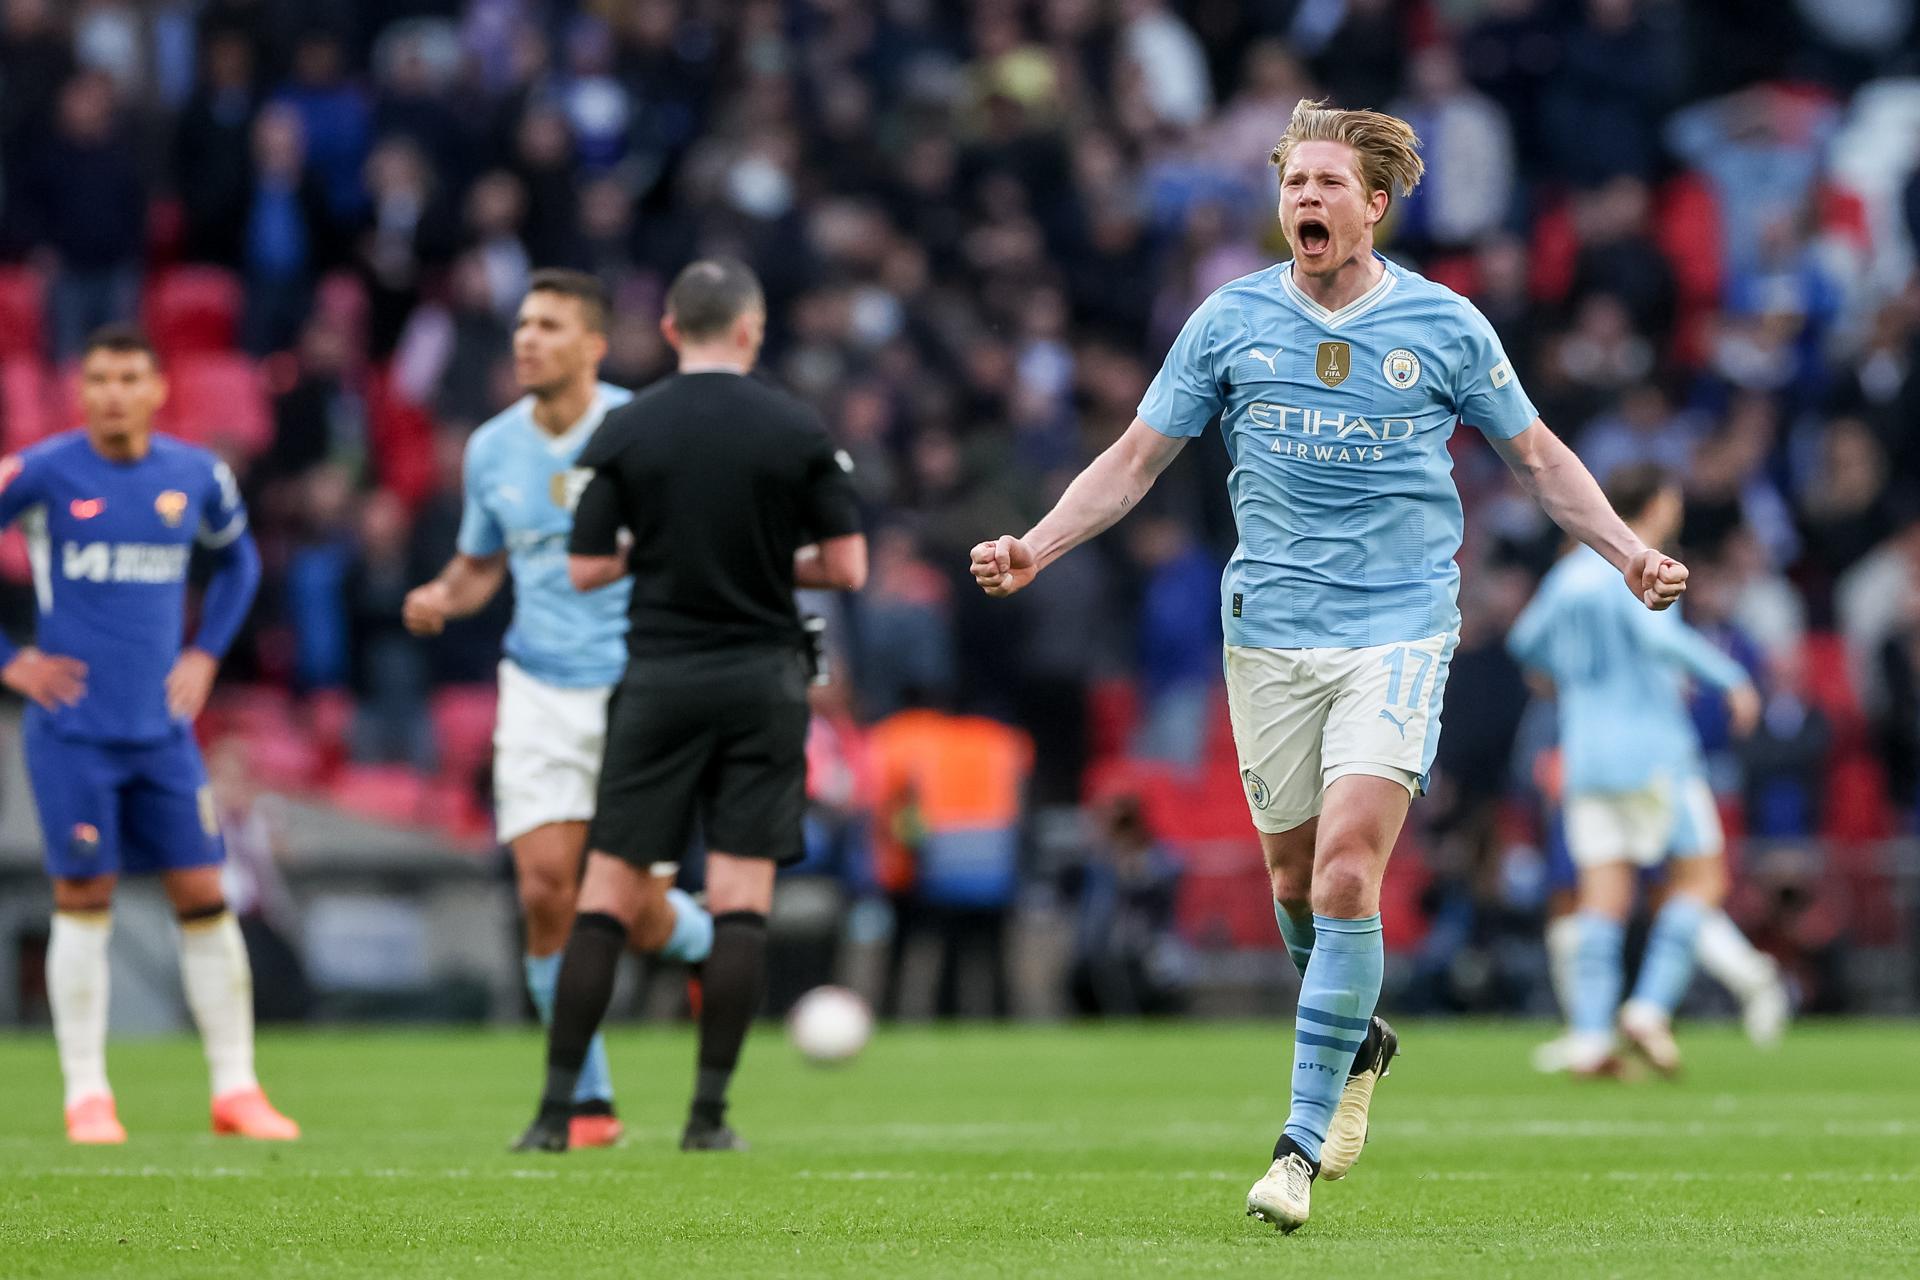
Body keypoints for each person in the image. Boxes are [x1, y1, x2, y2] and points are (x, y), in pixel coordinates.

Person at [968, 100, 1689, 1234]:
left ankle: (1296, 1148)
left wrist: (1630, 553)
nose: (1303, 199)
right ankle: (1363, 1040)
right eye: (1292, 183)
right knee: (1299, 884)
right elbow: (1133, 460)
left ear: (1375, 205)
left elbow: (1541, 461)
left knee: (1351, 872)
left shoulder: (1446, 326)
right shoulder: (1228, 321)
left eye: (1325, 185)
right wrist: (1035, 546)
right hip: (1269, 631)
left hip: (1398, 628)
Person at [512, 258, 866, 1154]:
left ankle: (559, 1113)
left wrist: (667, 554)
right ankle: (707, 1119)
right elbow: (848, 568)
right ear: (750, 329)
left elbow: (586, 568)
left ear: (670, 331)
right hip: (763, 684)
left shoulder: (627, 428)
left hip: (660, 681)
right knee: (741, 901)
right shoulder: (795, 427)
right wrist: (759, 564)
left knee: (605, 895)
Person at [403, 271, 714, 1150]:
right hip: (537, 686)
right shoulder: (491, 447)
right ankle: (589, 1104)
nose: (527, 340)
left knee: (635, 915)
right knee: (547, 890)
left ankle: (706, 941)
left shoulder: (643, 430)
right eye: (522, 325)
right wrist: (440, 594)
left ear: (593, 345)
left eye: (549, 326)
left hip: (635, 687)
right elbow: (480, 564)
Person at [0, 326, 294, 1143]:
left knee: (205, 896)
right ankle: (87, 1095)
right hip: (73, 731)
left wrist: (205, 653)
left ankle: (236, 1090)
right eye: (99, 378)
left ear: (160, 388)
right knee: (84, 898)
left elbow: (240, 566)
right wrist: (11, 660)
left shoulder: (196, 476)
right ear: (79, 389)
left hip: (163, 734)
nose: (114, 393)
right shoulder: (44, 472)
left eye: (131, 377)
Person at [1509, 465, 1787, 1076]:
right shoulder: (1636, 564)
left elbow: (1525, 641)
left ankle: (1589, 1034)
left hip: (1586, 756)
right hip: (1653, 752)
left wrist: (1565, 677)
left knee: (1602, 898)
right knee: (1701, 881)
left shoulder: (1568, 572)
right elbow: (1657, 638)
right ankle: (1650, 1007)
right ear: (1659, 505)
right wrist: (1731, 678)